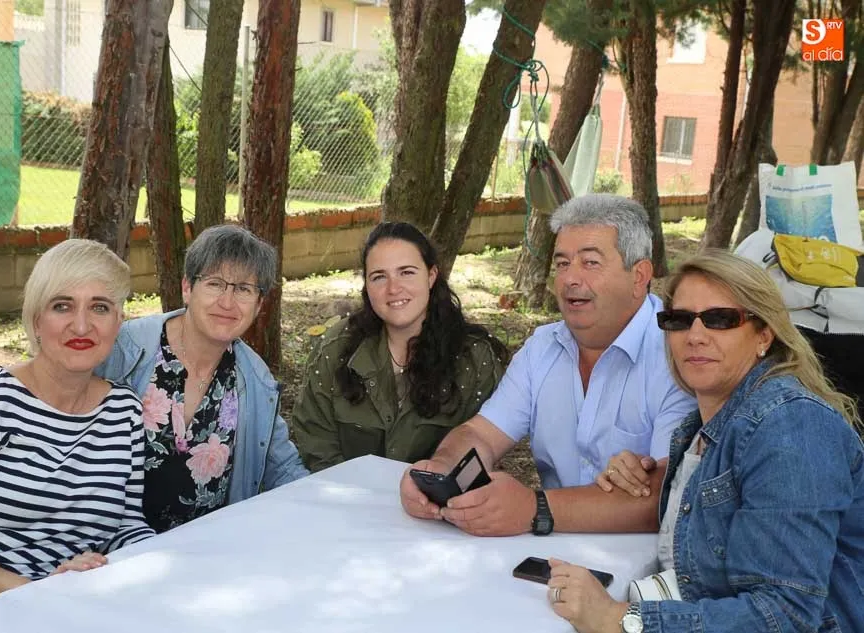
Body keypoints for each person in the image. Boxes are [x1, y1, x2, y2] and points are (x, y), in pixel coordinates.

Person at [0, 225, 308, 534]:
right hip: (101, 547)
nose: (227, 302)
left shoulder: (253, 379)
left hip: (198, 552)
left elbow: (283, 468)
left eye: (244, 289)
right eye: (215, 283)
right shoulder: (122, 347)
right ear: (187, 288)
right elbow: (23, 398)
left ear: (260, 303)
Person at [549, 250, 864, 633]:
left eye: (720, 319)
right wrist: (639, 479)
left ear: (764, 334)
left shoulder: (791, 427)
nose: (695, 336)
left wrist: (620, 620)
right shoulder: (697, 430)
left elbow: (785, 617)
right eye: (679, 320)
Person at [399, 194, 697, 537]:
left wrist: (535, 508)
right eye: (562, 264)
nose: (570, 279)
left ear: (639, 275)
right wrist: (440, 471)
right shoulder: (543, 347)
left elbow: (669, 497)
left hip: (644, 559)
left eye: (590, 263)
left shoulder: (679, 353)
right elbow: (482, 434)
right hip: (552, 549)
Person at [0, 240, 155, 624]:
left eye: (100, 307)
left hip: (68, 608)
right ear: (36, 320)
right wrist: (38, 592)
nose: (81, 325)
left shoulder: (123, 410)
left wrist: (159, 565)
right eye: (62, 306)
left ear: (118, 322)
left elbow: (125, 525)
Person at [291, 222, 509, 471]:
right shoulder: (337, 349)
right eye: (379, 277)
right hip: (346, 493)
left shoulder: (475, 360)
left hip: (437, 495)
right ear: (366, 286)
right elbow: (316, 443)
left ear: (431, 276)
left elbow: (477, 456)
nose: (393, 289)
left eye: (406, 272)